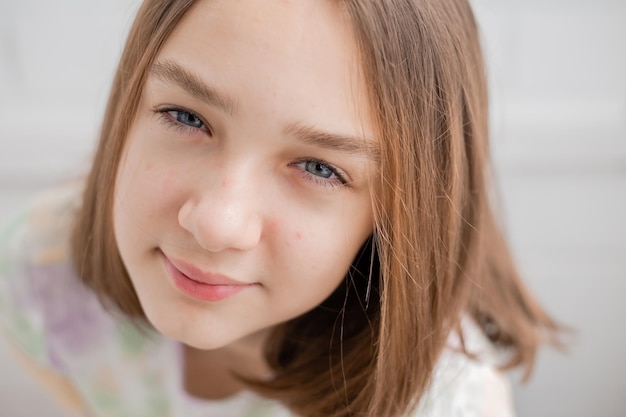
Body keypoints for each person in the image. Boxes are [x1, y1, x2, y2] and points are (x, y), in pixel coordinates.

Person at [0, 0, 561, 416]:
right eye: (187, 117)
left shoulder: (441, 403)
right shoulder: (40, 274)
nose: (216, 223)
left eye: (319, 168)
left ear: (397, 217)